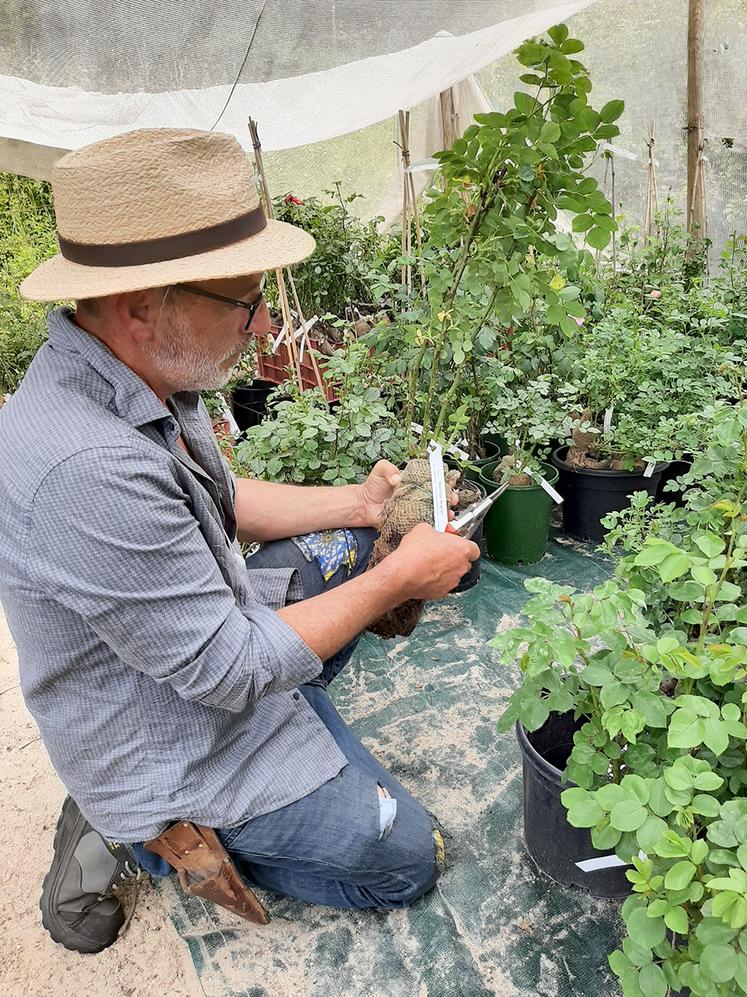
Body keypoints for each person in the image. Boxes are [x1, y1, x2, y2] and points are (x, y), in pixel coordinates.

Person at [0, 128, 479, 955]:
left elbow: (215, 503)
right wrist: (396, 579)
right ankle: (147, 828)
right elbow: (229, 670)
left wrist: (363, 508)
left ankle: (270, 742)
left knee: (340, 550)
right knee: (406, 858)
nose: (259, 325)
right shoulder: (84, 465)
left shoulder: (129, 369)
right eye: (243, 302)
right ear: (141, 305)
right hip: (177, 729)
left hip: (189, 650)